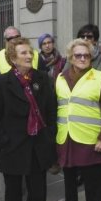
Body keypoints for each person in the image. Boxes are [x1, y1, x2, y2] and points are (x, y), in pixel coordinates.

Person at [0, 37, 57, 201]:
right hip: (12, 145)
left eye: (30, 52)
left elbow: (51, 110)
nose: (29, 55)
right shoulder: (1, 82)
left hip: (38, 143)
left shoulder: (42, 78)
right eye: (23, 53)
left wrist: (49, 136)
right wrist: (3, 140)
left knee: (38, 185)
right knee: (13, 188)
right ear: (13, 58)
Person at [56, 38, 101, 201]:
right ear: (71, 57)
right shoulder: (60, 78)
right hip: (65, 136)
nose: (82, 58)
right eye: (78, 55)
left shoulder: (100, 77)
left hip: (91, 138)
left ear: (91, 57)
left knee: (94, 180)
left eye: (86, 55)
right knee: (68, 175)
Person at [0, 26, 45, 100]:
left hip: (34, 100)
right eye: (10, 38)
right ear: (5, 41)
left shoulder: (35, 54)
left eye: (17, 37)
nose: (14, 40)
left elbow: (44, 81)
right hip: (9, 102)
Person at [38, 33, 66, 175]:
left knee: (58, 129)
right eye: (44, 43)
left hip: (59, 98)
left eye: (49, 42)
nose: (48, 45)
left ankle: (58, 159)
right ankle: (50, 159)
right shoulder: (37, 61)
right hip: (44, 100)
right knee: (47, 129)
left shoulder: (62, 61)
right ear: (41, 46)